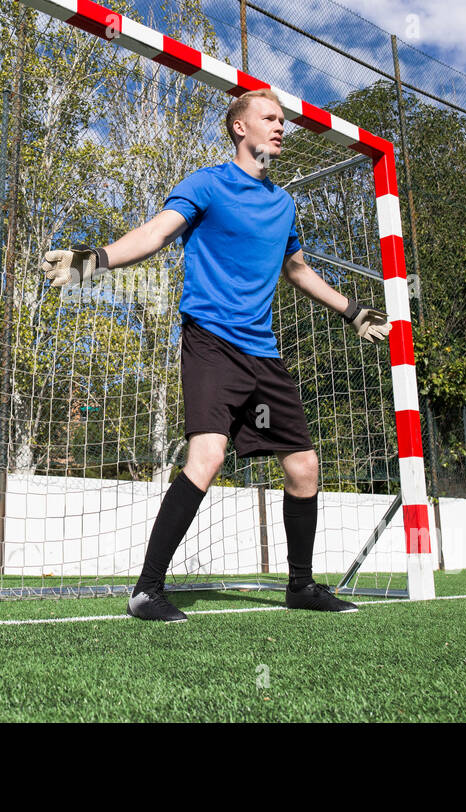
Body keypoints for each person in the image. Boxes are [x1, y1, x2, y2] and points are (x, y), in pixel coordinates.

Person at [40, 89, 391, 622]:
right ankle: (146, 591)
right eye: (269, 119)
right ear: (239, 128)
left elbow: (296, 271)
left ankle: (300, 586)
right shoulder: (207, 184)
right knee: (208, 458)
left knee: (303, 467)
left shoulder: (283, 204)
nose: (280, 128)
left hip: (263, 354)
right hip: (211, 343)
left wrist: (353, 310)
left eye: (283, 121)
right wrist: (96, 261)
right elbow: (157, 233)